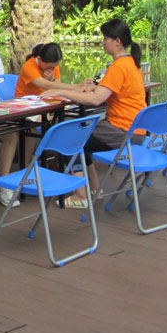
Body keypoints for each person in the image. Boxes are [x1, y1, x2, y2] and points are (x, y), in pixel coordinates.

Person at [42, 18, 146, 205]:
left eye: (106, 38)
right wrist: (94, 88)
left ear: (117, 41)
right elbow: (109, 91)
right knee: (83, 135)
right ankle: (94, 189)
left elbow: (96, 100)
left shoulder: (118, 66)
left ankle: (80, 196)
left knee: (69, 140)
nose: (103, 42)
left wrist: (60, 91)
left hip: (122, 130)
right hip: (136, 130)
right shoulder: (130, 62)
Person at [0, 42, 89, 208]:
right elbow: (48, 86)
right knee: (34, 127)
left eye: (55, 66)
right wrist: (77, 87)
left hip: (46, 105)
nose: (52, 68)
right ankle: (26, 169)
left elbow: (56, 84)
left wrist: (53, 79)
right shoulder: (29, 67)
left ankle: (61, 168)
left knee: (67, 124)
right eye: (49, 66)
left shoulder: (53, 66)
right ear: (39, 59)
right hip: (25, 108)